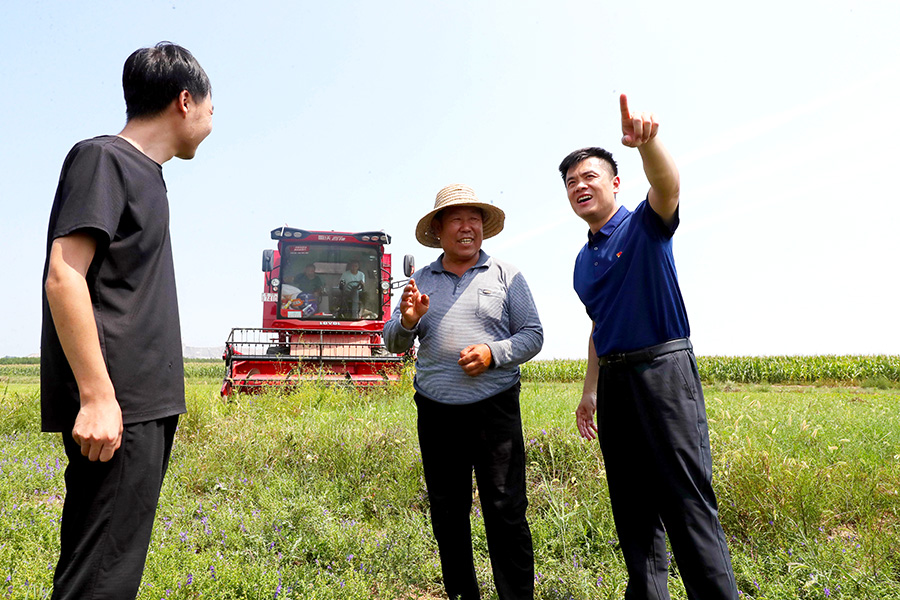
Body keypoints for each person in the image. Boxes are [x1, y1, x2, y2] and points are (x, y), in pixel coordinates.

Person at [40, 42, 213, 600]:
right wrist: (96, 396)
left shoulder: (149, 176)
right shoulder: (103, 159)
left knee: (113, 569)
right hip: (119, 405)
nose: (214, 118)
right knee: (99, 577)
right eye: (212, 105)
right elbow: (64, 276)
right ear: (185, 101)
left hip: (142, 406)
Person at [559, 94, 739, 599]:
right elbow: (599, 327)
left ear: (615, 182)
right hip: (615, 384)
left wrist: (649, 142)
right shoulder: (581, 261)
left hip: (663, 372)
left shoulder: (644, 225)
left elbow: (668, 185)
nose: (580, 186)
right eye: (571, 183)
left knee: (686, 503)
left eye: (589, 176)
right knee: (632, 511)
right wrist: (590, 390)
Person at [384, 184, 543, 600]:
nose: (467, 226)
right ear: (438, 229)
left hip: (495, 411)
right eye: (456, 218)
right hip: (437, 413)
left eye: (474, 218)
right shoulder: (419, 282)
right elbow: (393, 343)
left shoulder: (508, 275)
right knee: (448, 513)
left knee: (506, 510)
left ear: (484, 228)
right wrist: (408, 321)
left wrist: (493, 352)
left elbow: (533, 335)